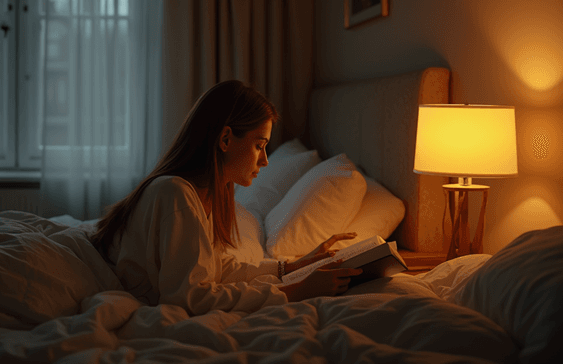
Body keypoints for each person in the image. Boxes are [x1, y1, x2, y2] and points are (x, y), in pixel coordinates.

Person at [91, 80, 361, 315]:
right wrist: (294, 291)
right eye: (259, 146)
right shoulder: (176, 193)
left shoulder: (208, 193)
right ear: (225, 139)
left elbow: (215, 268)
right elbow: (190, 297)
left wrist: (290, 268)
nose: (265, 160)